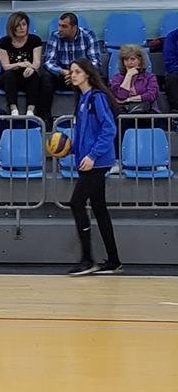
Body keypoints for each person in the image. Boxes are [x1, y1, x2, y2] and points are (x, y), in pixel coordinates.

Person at [67, 58, 122, 276]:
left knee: (76, 203)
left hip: (97, 162)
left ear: (88, 74)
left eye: (77, 72)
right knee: (99, 208)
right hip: (89, 160)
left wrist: (92, 155)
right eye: (71, 72)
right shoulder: (82, 99)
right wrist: (70, 148)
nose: (73, 75)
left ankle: (88, 260)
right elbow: (86, 134)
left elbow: (109, 129)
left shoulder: (97, 98)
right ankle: (114, 261)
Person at [40, 12, 100, 127]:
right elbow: (48, 62)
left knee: (97, 79)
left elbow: (95, 62)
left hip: (82, 76)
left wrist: (78, 73)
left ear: (74, 27)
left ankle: (92, 118)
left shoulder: (88, 35)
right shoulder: (55, 36)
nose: (60, 29)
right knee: (45, 78)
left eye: (64, 26)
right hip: (63, 76)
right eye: (59, 25)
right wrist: (63, 72)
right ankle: (45, 120)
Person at [0, 11, 43, 116]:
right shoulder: (3, 42)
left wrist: (31, 68)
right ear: (12, 27)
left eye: (24, 24)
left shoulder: (35, 40)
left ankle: (30, 110)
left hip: (26, 76)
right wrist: (19, 64)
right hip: (8, 78)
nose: (21, 28)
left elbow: (37, 63)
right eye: (18, 25)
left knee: (33, 75)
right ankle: (13, 109)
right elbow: (6, 66)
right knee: (9, 75)